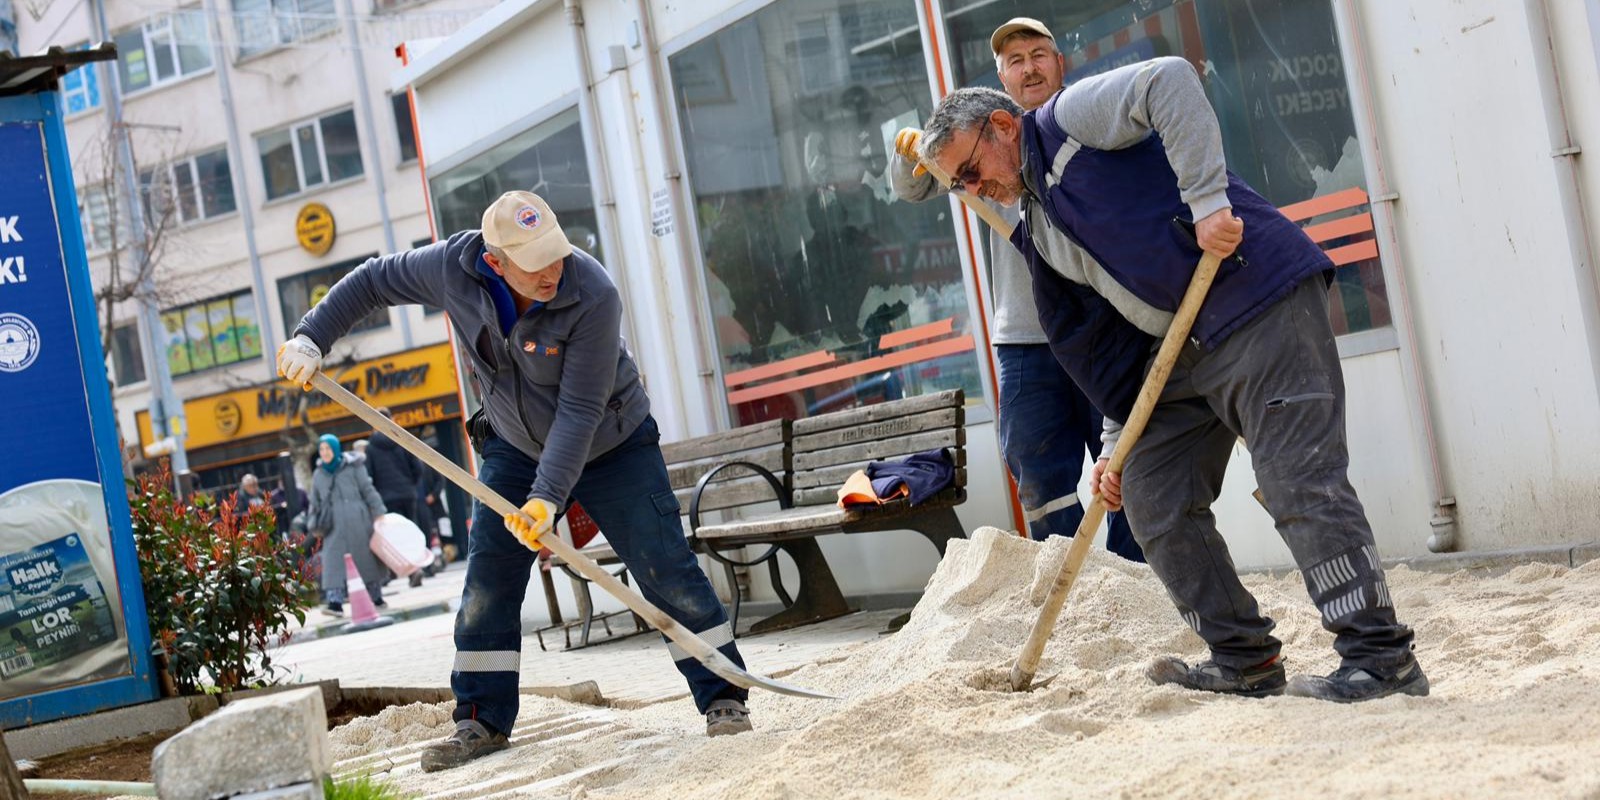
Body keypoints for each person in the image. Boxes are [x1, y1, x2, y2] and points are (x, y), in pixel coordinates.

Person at [917, 56, 1427, 703]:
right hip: (1185, 348)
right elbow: (1107, 348)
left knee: (1296, 480)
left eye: (970, 170)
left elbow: (1169, 81)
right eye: (959, 185)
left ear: (999, 126)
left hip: (1256, 296)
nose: (974, 188)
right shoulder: (1042, 228)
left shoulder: (1063, 122)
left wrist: (1208, 198)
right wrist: (1113, 447)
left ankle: (1381, 661)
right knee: (1150, 493)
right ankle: (1245, 659)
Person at [276, 190, 755, 772]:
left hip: (611, 442)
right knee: (488, 583)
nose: (553, 270)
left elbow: (579, 410)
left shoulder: (592, 293)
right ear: (495, 260)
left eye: (556, 253)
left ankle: (724, 695)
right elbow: (373, 280)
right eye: (536, 262)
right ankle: (480, 719)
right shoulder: (451, 268)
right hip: (513, 445)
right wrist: (311, 335)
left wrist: (546, 499)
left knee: (665, 567)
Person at [890, 18, 1141, 561]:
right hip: (1026, 337)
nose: (1029, 67)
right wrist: (912, 152)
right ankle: (1074, 574)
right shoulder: (981, 139)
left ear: (1059, 63)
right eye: (1015, 60)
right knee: (1033, 462)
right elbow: (911, 188)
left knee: (1125, 463)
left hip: (1104, 324)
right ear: (1002, 79)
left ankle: (1136, 576)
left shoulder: (1086, 122)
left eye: (1038, 54)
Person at [308, 434, 388, 616]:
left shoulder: (354, 466)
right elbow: (314, 502)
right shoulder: (318, 474)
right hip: (332, 524)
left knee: (365, 559)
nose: (325, 453)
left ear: (336, 449)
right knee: (332, 562)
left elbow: (368, 489)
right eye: (322, 449)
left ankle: (376, 597)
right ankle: (334, 603)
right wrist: (314, 525)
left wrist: (378, 513)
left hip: (358, 520)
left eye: (328, 449)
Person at [365, 407, 430, 586]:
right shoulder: (401, 438)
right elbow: (418, 468)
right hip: (408, 494)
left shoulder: (371, 447)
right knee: (412, 531)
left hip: (387, 498)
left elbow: (369, 475)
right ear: (391, 419)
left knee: (395, 537)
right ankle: (418, 568)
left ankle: (403, 571)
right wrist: (411, 485)